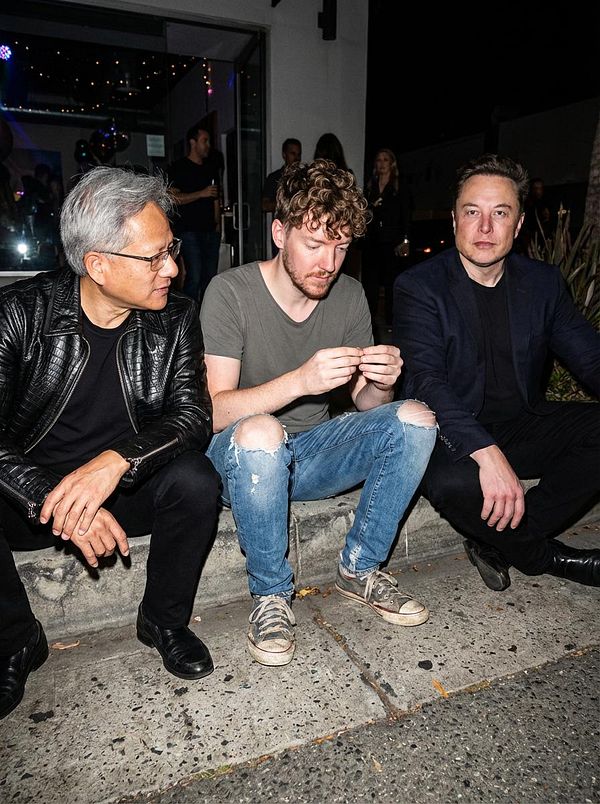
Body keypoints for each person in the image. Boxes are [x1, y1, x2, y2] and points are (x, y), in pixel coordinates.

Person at [0, 166, 220, 720]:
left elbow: (194, 415)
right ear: (96, 264)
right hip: (30, 501)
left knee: (196, 477)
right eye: (154, 258)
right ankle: (15, 639)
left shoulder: (176, 316)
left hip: (126, 491)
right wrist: (53, 497)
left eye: (170, 250)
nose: (172, 268)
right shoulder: (18, 316)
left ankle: (163, 621)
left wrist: (115, 463)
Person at [200, 158, 437, 668]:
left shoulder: (349, 296)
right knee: (263, 431)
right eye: (314, 243)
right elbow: (216, 411)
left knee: (414, 417)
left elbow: (364, 406)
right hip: (244, 459)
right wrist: (299, 382)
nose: (328, 262)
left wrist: (383, 383)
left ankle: (360, 566)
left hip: (309, 456)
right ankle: (270, 596)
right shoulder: (230, 292)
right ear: (279, 233)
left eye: (341, 246)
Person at [393, 153, 600, 594]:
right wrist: (485, 453)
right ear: (454, 220)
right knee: (451, 482)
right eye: (472, 212)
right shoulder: (420, 286)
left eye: (500, 213)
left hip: (521, 423)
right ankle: (546, 557)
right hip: (450, 433)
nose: (485, 228)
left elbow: (590, 358)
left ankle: (500, 542)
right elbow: (428, 382)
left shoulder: (542, 283)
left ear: (518, 224)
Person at [167, 123, 221, 304]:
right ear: (193, 142)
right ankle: (188, 318)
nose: (208, 145)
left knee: (210, 279)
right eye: (204, 141)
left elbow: (215, 198)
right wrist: (201, 193)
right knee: (194, 277)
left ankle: (207, 317)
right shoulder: (178, 168)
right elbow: (173, 198)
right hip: (189, 231)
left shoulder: (210, 168)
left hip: (210, 231)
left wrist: (217, 225)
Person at [361, 148, 412, 334]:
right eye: (378, 159)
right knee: (370, 283)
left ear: (392, 163)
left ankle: (392, 322)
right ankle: (369, 322)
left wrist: (405, 239)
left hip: (392, 241)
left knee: (392, 283)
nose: (381, 163)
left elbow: (406, 214)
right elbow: (365, 212)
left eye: (385, 160)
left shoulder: (399, 185)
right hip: (372, 241)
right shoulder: (370, 185)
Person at [261, 137, 302, 257]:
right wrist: (288, 203)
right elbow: (264, 205)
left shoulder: (304, 178)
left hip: (300, 228)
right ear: (284, 155)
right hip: (283, 229)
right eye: (293, 153)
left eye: (299, 154)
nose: (296, 158)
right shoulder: (274, 177)